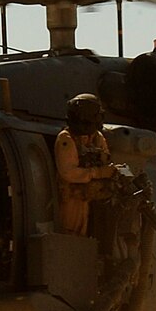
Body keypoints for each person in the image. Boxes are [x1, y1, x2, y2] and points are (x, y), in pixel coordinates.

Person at [54, 93, 114, 236]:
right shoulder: (66, 139)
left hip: (92, 195)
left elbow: (106, 158)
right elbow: (68, 172)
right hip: (73, 196)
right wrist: (97, 173)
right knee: (71, 233)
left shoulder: (96, 138)